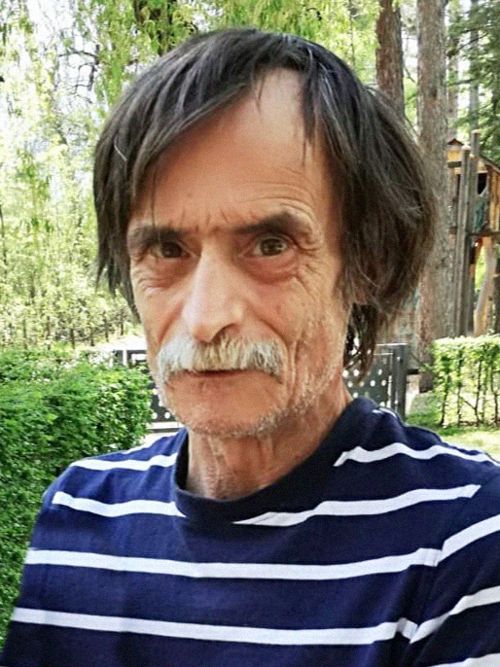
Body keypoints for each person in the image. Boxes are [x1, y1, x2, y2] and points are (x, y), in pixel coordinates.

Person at [2, 28, 499, 667]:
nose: (206, 318)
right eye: (167, 250)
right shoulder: (78, 516)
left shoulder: (465, 540)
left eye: (270, 246)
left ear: (366, 264)